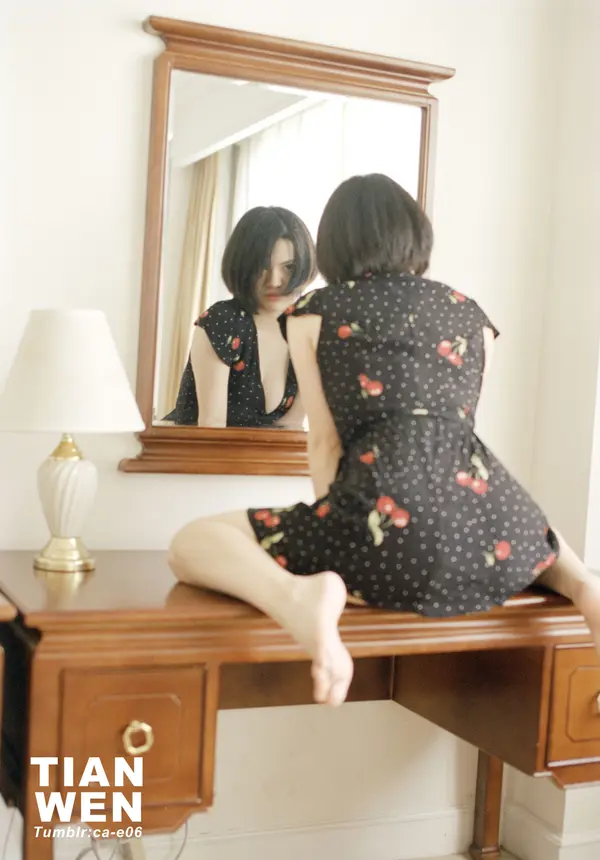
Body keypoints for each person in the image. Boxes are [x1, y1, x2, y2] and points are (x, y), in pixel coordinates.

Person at [167, 173, 600, 708]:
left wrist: (335, 532)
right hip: (485, 521)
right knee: (530, 531)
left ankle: (298, 599)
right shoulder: (472, 315)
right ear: (415, 233)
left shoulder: (314, 313)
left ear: (332, 244)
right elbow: (459, 442)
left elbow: (324, 444)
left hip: (383, 527)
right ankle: (585, 587)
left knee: (191, 543)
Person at [164, 205, 317, 428]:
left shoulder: (307, 331)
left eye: (289, 267)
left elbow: (291, 428)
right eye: (263, 266)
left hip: (265, 451)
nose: (275, 281)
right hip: (195, 448)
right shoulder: (223, 321)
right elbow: (212, 426)